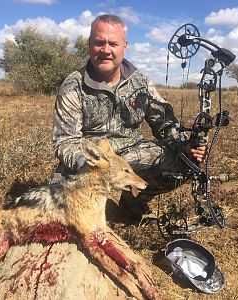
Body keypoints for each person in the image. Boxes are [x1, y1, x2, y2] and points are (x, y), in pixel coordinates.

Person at [51, 14, 207, 220]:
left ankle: (133, 203)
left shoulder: (141, 82)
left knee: (186, 163)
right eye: (99, 43)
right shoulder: (73, 85)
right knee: (58, 200)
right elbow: (65, 142)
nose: (105, 50)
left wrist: (184, 146)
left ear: (124, 46)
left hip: (133, 152)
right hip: (92, 161)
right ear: (89, 44)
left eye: (113, 43)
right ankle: (92, 208)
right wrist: (90, 165)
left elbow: (164, 125)